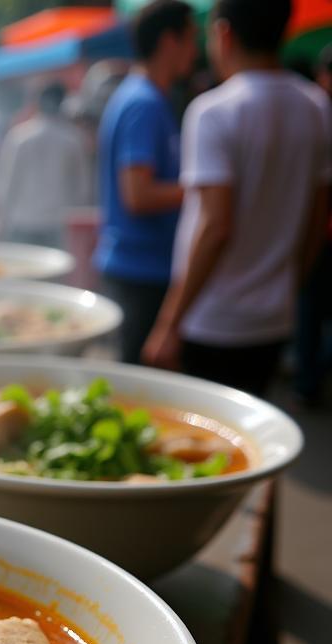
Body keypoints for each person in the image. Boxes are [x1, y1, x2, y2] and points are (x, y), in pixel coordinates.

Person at [144, 0, 332, 396]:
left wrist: (168, 323)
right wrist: (287, 286)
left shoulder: (213, 111)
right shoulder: (316, 107)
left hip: (212, 318)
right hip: (273, 317)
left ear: (224, 34)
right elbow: (318, 216)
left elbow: (216, 226)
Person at [94, 1, 198, 364]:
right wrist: (203, 190)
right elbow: (137, 195)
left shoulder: (147, 97)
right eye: (191, 39)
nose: (196, 51)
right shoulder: (145, 103)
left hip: (138, 268)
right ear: (170, 41)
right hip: (141, 271)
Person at [0, 82, 90, 248]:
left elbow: (5, 185)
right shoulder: (73, 139)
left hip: (22, 222)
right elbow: (82, 190)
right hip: (57, 225)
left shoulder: (19, 136)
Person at [293, 44, 332, 406]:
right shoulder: (313, 110)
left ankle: (308, 381)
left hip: (319, 234)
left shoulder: (315, 110)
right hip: (319, 233)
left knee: (311, 312)